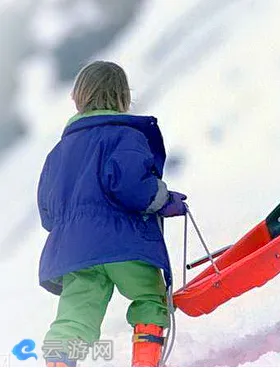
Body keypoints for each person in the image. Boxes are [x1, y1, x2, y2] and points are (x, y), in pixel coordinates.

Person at [37, 61, 187, 366]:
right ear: (123, 97)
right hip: (125, 244)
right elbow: (133, 188)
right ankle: (144, 361)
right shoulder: (126, 137)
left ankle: (58, 362)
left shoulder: (59, 151)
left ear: (78, 97)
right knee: (148, 300)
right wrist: (164, 199)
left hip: (77, 252)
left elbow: (48, 214)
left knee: (75, 316)